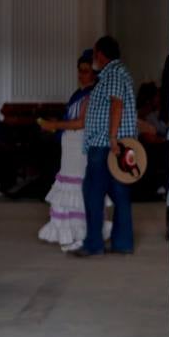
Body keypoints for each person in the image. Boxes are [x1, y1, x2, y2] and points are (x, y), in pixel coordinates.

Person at [37, 52, 111, 251]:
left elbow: (81, 122)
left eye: (86, 71)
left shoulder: (92, 94)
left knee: (78, 184)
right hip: (69, 146)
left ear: (94, 73)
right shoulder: (78, 94)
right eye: (79, 71)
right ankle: (67, 230)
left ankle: (81, 231)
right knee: (69, 181)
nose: (81, 75)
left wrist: (53, 125)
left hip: (80, 146)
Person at [73, 36, 137, 257]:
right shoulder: (119, 73)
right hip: (116, 145)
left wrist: (111, 137)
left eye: (94, 54)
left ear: (100, 54)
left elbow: (116, 104)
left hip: (105, 145)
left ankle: (94, 244)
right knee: (120, 193)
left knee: (92, 191)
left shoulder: (112, 74)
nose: (93, 59)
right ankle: (122, 243)